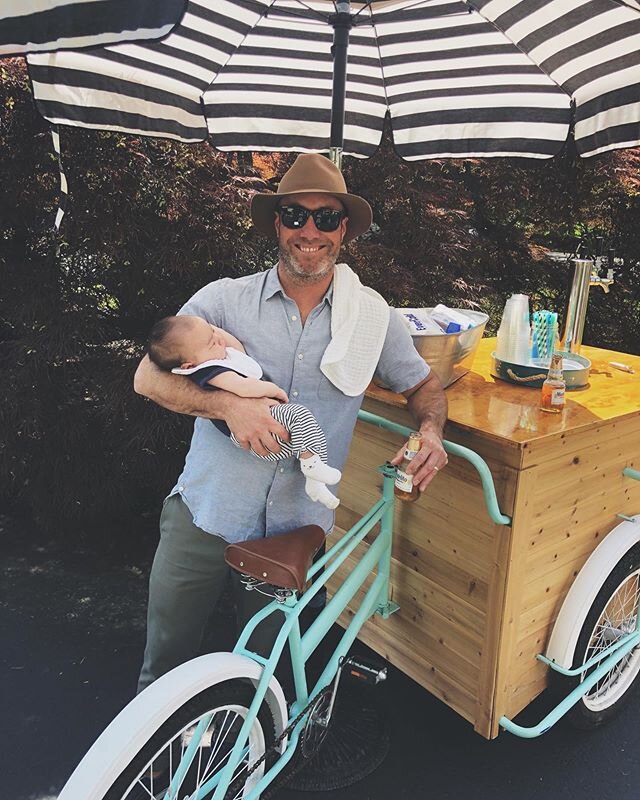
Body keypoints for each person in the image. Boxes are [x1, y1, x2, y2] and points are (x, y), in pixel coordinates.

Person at [133, 153, 448, 695]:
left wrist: (432, 434)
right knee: (165, 664)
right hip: (206, 512)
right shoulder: (222, 301)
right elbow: (148, 378)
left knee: (267, 678)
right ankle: (154, 775)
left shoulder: (373, 317)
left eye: (326, 218)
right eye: (296, 215)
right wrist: (229, 406)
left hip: (294, 533)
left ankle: (249, 770)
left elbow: (424, 386)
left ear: (343, 229)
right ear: (277, 224)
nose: (310, 231)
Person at [146, 314, 342, 509]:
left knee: (310, 434)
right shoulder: (208, 371)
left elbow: (237, 348)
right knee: (300, 416)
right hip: (256, 436)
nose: (219, 340)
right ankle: (311, 466)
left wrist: (211, 332)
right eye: (210, 343)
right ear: (189, 365)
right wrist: (275, 391)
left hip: (270, 431)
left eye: (213, 333)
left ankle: (316, 484)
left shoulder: (216, 356)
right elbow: (244, 388)